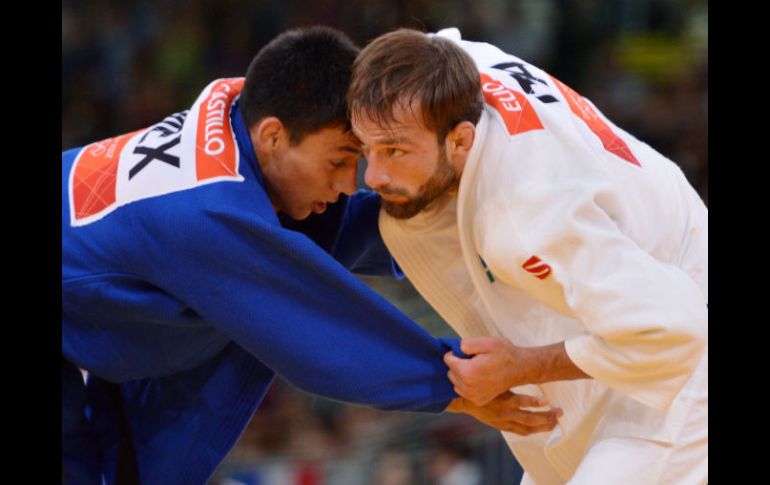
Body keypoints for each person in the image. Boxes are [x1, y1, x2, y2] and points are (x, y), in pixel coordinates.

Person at [62, 26, 560, 485]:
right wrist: (452, 381)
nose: (351, 183)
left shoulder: (246, 122)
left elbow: (346, 229)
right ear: (273, 136)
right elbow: (315, 330)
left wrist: (471, 212)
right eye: (340, 161)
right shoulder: (206, 213)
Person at [348, 27, 707, 484]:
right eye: (365, 149)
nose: (373, 175)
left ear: (460, 140)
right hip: (630, 272)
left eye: (395, 150)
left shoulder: (525, 215)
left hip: (685, 338)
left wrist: (524, 365)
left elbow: (677, 330)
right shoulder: (448, 67)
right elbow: (438, 42)